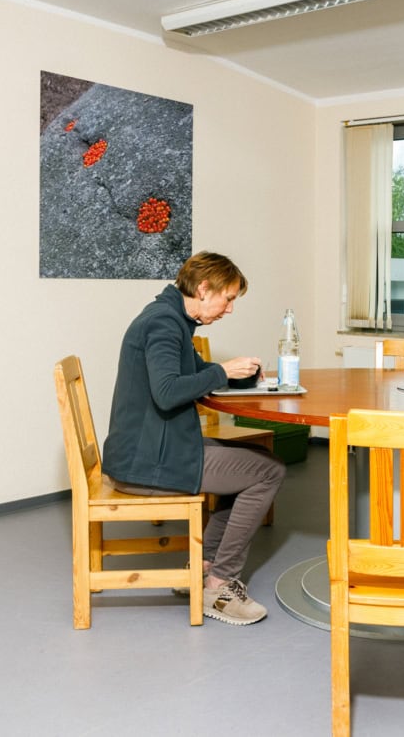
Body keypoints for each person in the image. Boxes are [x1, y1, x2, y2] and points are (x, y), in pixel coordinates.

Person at [102, 251, 285, 626]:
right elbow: (168, 392)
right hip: (148, 461)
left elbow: (194, 373)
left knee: (253, 463)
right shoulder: (163, 324)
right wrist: (222, 370)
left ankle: (202, 568)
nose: (230, 309)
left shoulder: (172, 318)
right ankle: (219, 585)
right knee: (268, 472)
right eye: (228, 298)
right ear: (203, 288)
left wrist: (241, 377)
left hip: (153, 448)